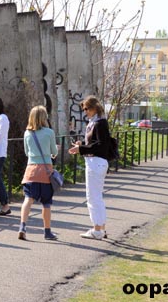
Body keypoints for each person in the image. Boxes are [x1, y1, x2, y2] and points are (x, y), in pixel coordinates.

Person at [68, 95, 112, 240]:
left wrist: (81, 150)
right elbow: (96, 143)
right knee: (96, 196)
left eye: (87, 109)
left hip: (96, 162)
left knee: (92, 197)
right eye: (84, 109)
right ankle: (101, 227)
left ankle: (97, 229)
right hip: (95, 161)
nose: (85, 111)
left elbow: (101, 145)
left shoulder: (99, 123)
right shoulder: (96, 122)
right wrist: (82, 146)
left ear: (94, 108)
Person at [19, 105, 58, 241]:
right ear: (44, 118)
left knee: (28, 199)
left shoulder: (27, 133)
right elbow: (54, 152)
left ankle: (22, 227)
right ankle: (47, 231)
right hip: (46, 171)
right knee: (46, 203)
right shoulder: (49, 133)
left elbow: (26, 152)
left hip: (31, 170)